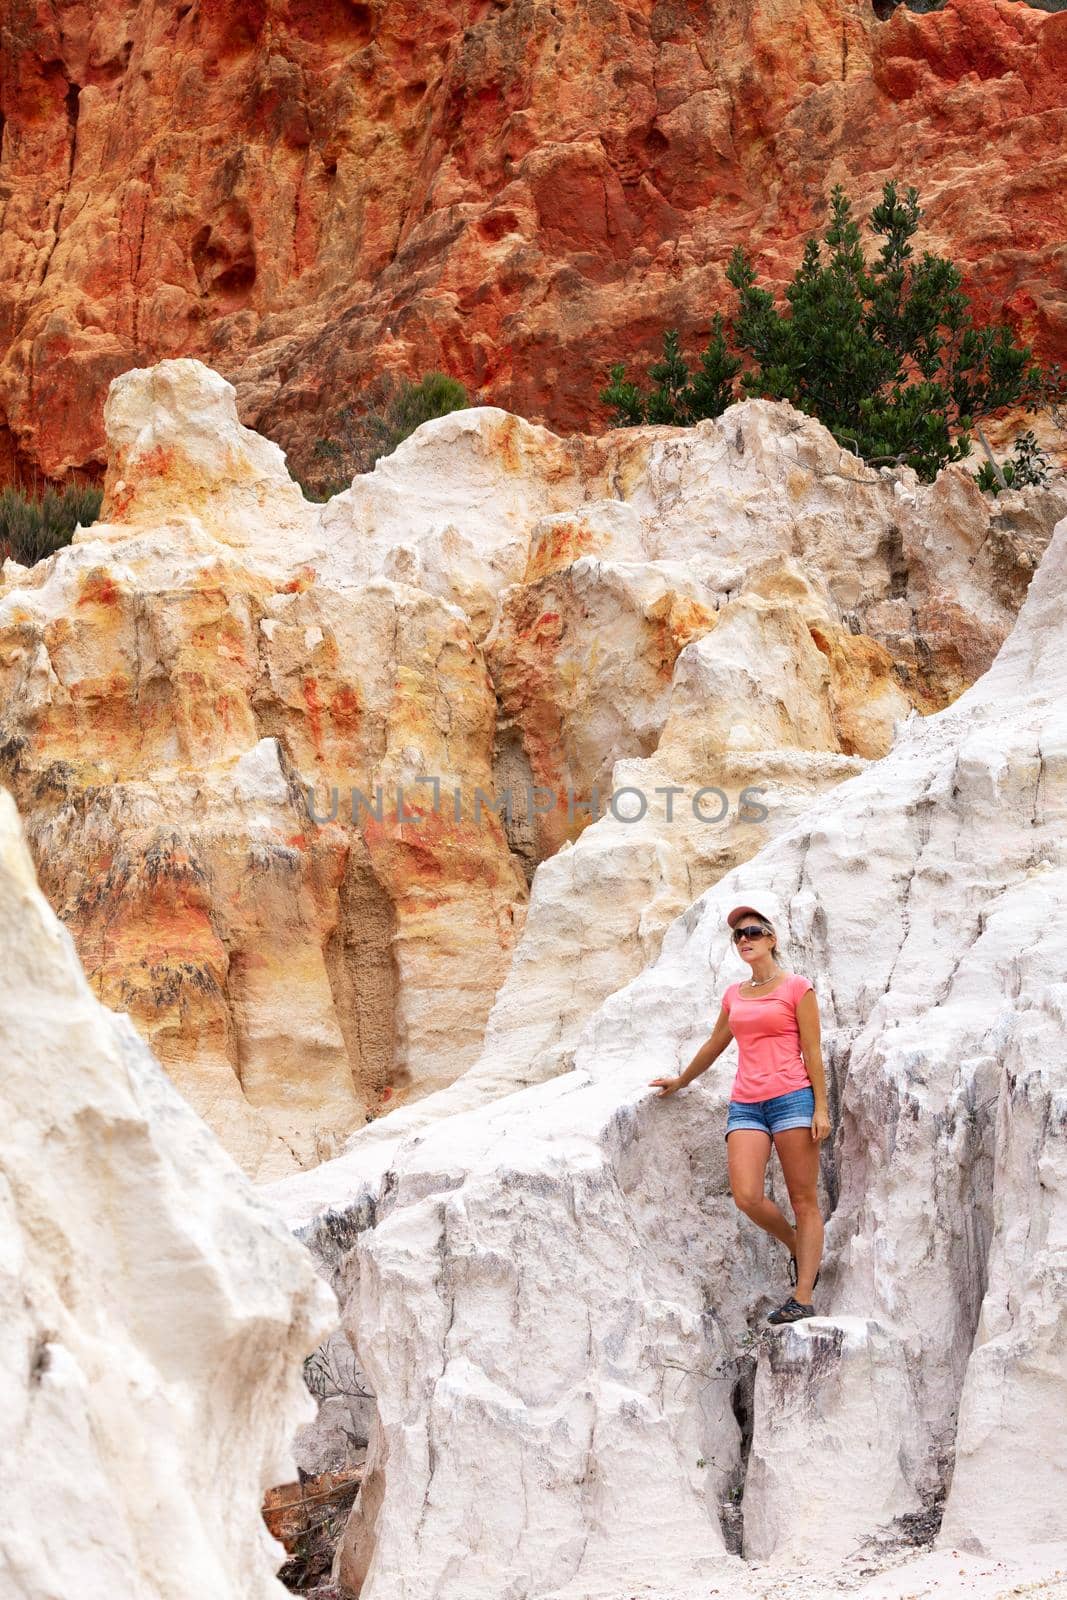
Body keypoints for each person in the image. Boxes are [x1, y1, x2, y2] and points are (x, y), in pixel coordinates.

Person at [649, 903, 831, 1323]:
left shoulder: (797, 988)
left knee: (803, 1199)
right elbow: (716, 1044)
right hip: (747, 1103)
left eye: (752, 933)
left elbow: (813, 1050)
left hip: (792, 1099)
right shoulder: (735, 994)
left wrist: (821, 1107)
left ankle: (802, 1296)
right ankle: (795, 1245)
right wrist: (681, 1081)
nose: (744, 941)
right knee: (747, 1196)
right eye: (738, 936)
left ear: (771, 939)